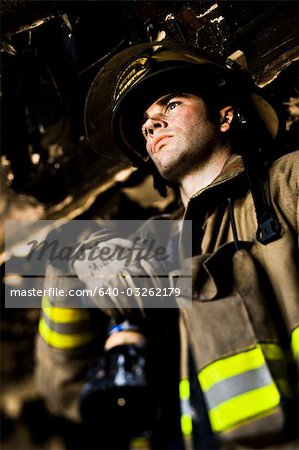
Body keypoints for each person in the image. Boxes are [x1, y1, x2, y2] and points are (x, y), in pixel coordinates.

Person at [36, 40, 299, 449]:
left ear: (225, 115)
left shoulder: (288, 183)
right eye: (145, 121)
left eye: (170, 104)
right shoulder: (144, 245)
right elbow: (60, 391)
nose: (150, 123)